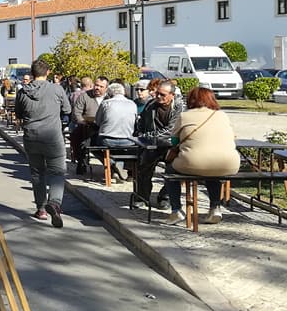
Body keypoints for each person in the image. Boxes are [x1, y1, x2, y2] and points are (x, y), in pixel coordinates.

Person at [161, 87, 241, 225]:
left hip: (193, 162)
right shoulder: (222, 115)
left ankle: (176, 210)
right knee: (213, 171)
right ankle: (215, 208)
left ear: (191, 99)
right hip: (228, 164)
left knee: (170, 170)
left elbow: (174, 141)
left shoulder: (185, 116)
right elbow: (232, 136)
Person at [14, 59, 71, 227]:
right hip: (53, 136)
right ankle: (54, 203)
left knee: (37, 173)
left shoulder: (23, 92)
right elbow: (67, 110)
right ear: (48, 72)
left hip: (31, 136)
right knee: (57, 172)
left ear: (32, 74)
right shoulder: (57, 89)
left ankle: (41, 209)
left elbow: (18, 113)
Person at [134, 81, 181, 209]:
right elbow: (142, 122)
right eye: (157, 93)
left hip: (172, 146)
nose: (158, 96)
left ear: (172, 95)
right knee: (143, 167)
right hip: (152, 146)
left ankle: (165, 197)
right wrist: (141, 134)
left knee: (175, 169)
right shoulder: (151, 105)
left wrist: (149, 136)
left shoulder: (179, 107)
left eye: (162, 94)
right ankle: (142, 196)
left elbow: (171, 130)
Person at [92, 82, 139, 181]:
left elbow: (97, 121)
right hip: (127, 140)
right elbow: (135, 122)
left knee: (91, 144)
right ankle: (117, 168)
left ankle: (112, 164)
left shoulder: (106, 103)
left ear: (109, 93)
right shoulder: (132, 104)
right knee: (121, 149)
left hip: (106, 139)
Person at [71, 76, 109, 175]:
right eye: (96, 85)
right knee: (78, 136)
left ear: (106, 88)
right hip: (88, 126)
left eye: (101, 86)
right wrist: (82, 121)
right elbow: (76, 112)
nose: (97, 88)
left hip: (106, 127)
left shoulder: (109, 98)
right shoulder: (85, 96)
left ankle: (113, 165)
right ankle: (81, 162)